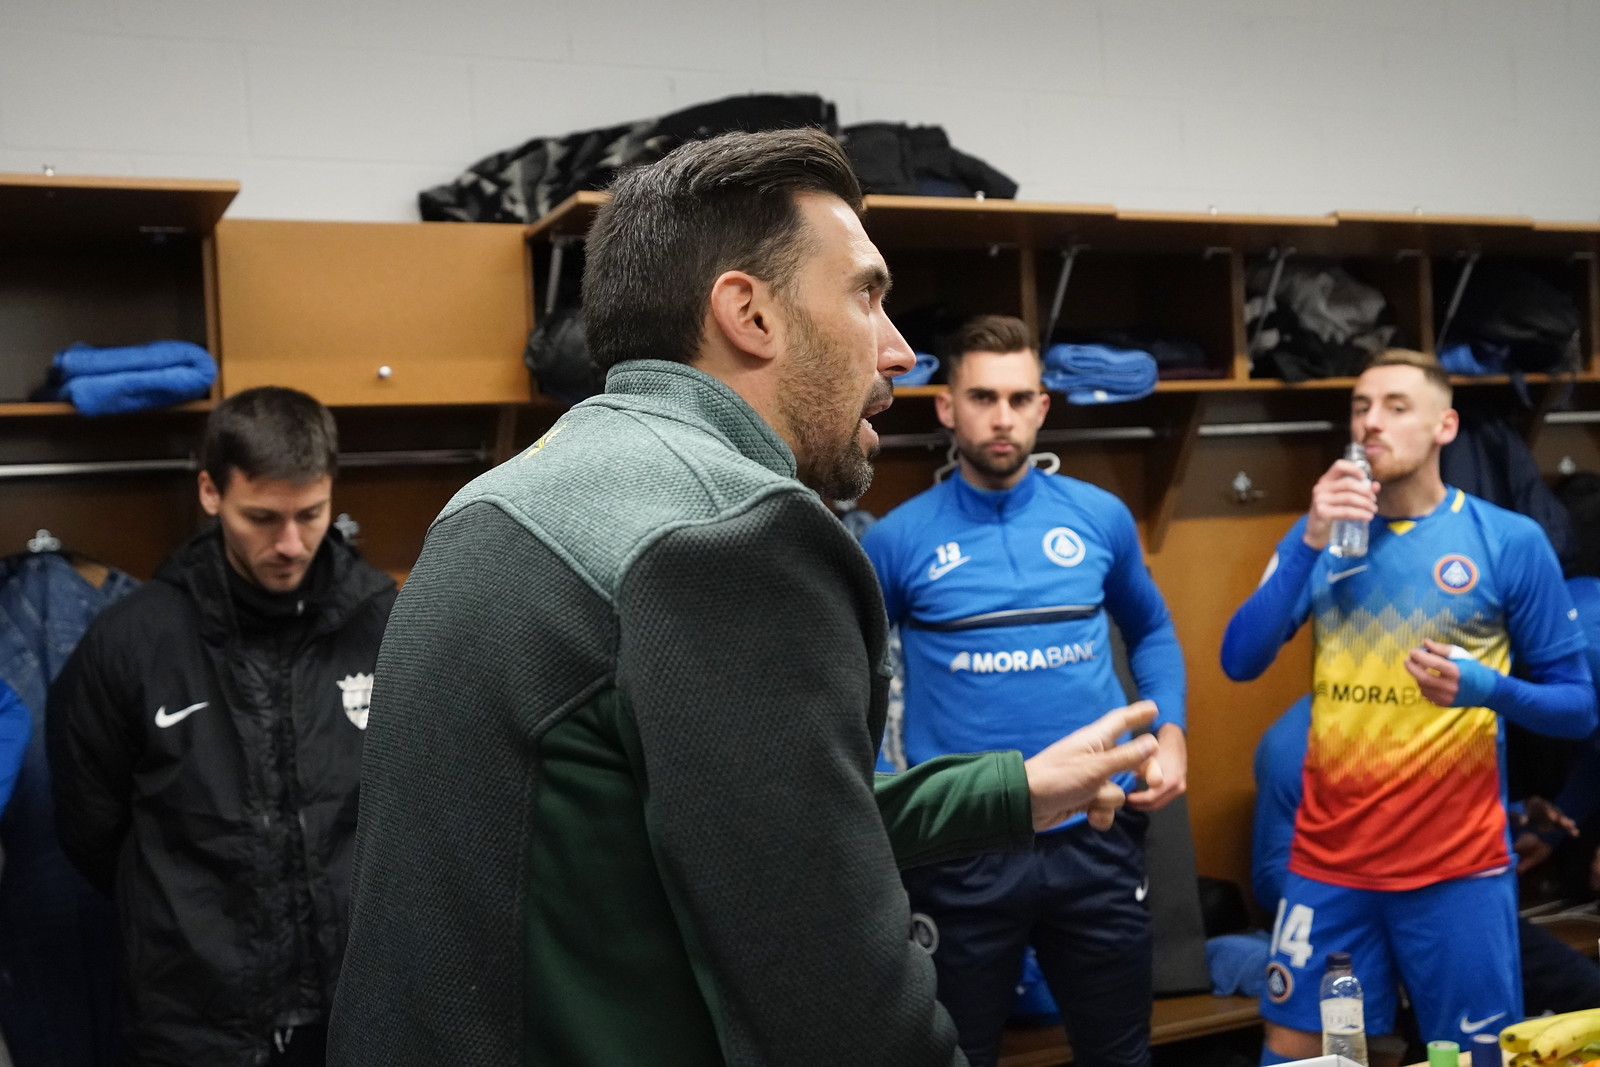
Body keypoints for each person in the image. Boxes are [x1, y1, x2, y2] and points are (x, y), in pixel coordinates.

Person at [327, 128, 1163, 1067]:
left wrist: (1012, 788)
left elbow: (746, 824)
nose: (898, 351)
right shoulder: (729, 533)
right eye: (867, 296)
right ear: (749, 314)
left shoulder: (502, 498)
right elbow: (837, 996)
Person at [1220, 349, 1598, 1065]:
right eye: (1361, 407)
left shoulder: (1508, 541)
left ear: (1444, 426)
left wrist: (1486, 688)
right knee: (1309, 1053)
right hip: (1331, 865)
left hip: (1458, 872)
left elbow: (1578, 709)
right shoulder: (1321, 540)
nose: (1371, 422)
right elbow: (1238, 660)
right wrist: (1307, 538)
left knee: (1468, 1057)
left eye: (1396, 406)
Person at [861, 314, 1187, 1067]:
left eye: (1018, 398)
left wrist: (1170, 735)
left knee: (1121, 1054)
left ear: (1043, 407)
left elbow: (1155, 632)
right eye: (981, 396)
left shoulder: (1099, 517)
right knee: (957, 1054)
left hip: (1095, 836)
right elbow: (855, 673)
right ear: (947, 408)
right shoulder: (897, 540)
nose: (1001, 417)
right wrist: (882, 784)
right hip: (967, 846)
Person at [47, 387, 396, 1066]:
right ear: (210, 492)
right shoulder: (132, 641)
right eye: (262, 517)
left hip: (356, 1007)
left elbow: (414, 806)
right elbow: (93, 830)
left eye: (311, 514)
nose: (290, 543)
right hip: (194, 1020)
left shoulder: (386, 626)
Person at [1254, 696, 1600, 1043]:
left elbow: (1436, 822)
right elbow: (1272, 874)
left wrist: (1510, 815)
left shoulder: (1447, 717)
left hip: (1455, 904)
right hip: (1350, 920)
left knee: (1586, 991)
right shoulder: (1294, 742)